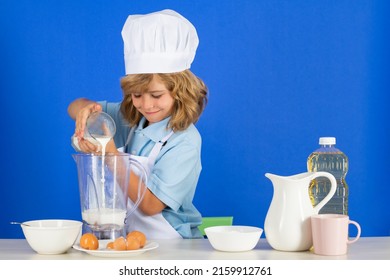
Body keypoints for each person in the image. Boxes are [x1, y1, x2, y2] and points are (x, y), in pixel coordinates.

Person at [68, 9, 208, 239]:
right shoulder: (131, 119)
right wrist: (88, 113)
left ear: (180, 91)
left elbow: (151, 205)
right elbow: (74, 106)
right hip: (132, 240)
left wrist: (111, 155)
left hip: (174, 245)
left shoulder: (185, 140)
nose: (146, 105)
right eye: (136, 95)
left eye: (156, 95)